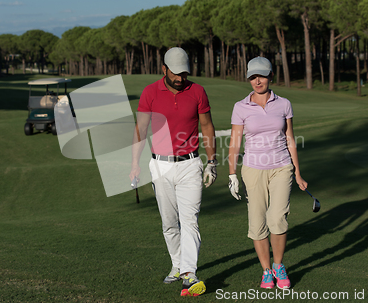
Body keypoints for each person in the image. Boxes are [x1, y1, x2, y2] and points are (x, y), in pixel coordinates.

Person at [130, 47, 217, 297]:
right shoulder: (150, 92)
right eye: (176, 74)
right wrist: (135, 163)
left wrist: (212, 161)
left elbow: (207, 125)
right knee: (169, 223)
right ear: (164, 69)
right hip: (160, 164)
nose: (181, 79)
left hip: (190, 164)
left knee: (190, 220)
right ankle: (177, 265)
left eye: (185, 74)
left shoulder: (197, 91)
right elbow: (141, 129)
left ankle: (189, 273)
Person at [227, 56, 308, 290]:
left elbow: (290, 139)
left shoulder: (284, 104)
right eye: (253, 77)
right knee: (257, 223)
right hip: (253, 170)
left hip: (281, 167)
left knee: (277, 218)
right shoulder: (240, 107)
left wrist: (298, 173)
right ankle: (266, 271)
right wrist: (232, 174)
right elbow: (234, 143)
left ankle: (279, 266)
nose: (257, 81)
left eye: (261, 75)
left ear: (271, 76)